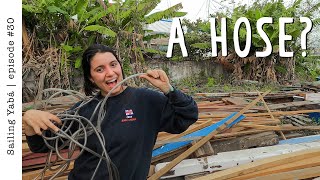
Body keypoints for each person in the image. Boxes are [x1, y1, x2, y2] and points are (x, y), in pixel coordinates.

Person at [23, 44, 198, 180]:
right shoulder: (83, 110)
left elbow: (187, 116)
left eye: (113, 65)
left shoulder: (146, 101)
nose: (110, 73)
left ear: (120, 67)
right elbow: (42, 145)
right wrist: (29, 119)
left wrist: (169, 89)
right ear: (91, 78)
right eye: (100, 69)